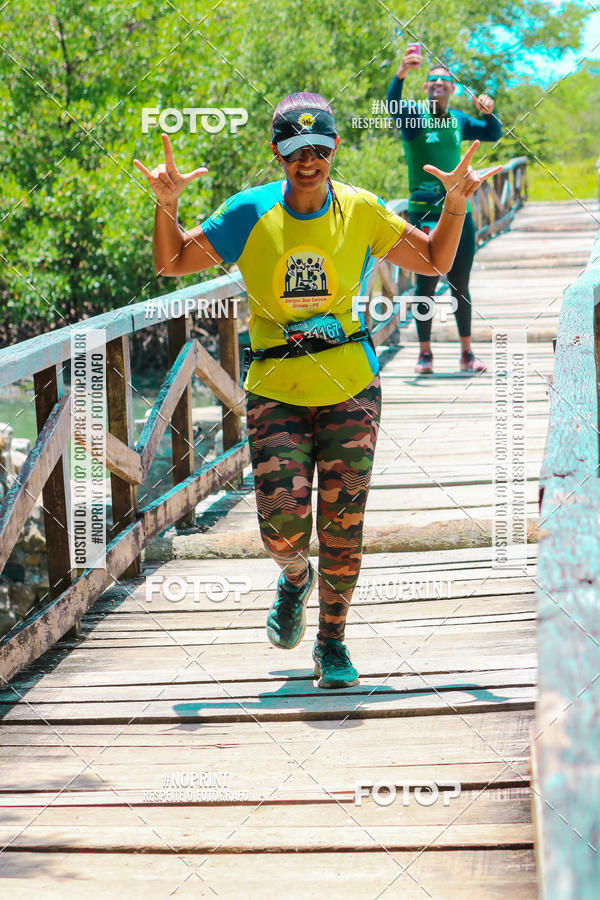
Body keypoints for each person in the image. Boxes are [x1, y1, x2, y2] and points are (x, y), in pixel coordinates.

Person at [134, 92, 501, 689]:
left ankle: (332, 643)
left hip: (351, 388)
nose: (308, 160)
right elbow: (172, 261)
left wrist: (455, 205)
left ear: (333, 149)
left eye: (319, 149)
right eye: (295, 149)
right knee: (281, 531)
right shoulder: (248, 213)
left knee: (342, 527)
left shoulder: (361, 210)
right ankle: (294, 578)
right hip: (275, 390)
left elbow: (435, 260)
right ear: (276, 152)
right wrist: (166, 205)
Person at [387, 48, 503, 374]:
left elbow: (493, 133)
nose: (438, 83)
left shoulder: (459, 120)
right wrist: (400, 73)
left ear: (452, 88)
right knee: (425, 283)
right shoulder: (414, 117)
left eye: (444, 80)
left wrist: (489, 112)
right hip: (424, 211)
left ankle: (467, 353)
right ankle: (425, 354)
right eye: (433, 80)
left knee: (459, 282)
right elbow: (392, 104)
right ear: (426, 88)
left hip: (458, 210)